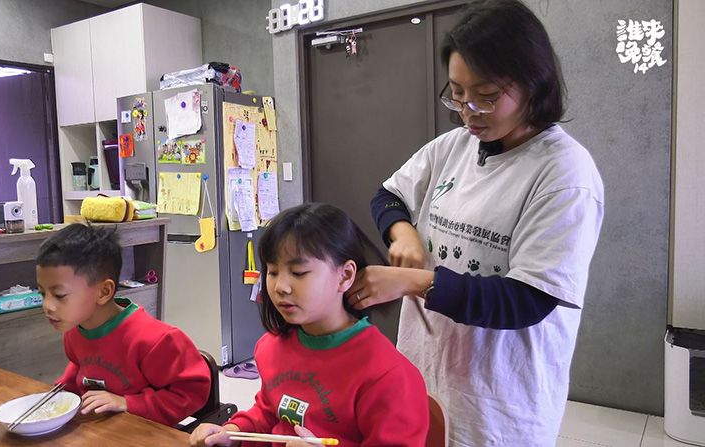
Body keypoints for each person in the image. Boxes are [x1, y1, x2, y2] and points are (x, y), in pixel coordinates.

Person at [351, 0, 605, 445]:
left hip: (499, 400)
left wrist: (414, 281)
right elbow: (388, 196)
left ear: (533, 82)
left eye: (485, 94)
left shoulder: (565, 175)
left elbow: (526, 300)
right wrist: (403, 232)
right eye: (456, 92)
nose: (467, 110)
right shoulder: (453, 146)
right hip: (425, 372)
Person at [190, 203, 429, 447]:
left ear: (345, 275)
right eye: (273, 271)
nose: (281, 287)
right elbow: (268, 413)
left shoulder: (388, 375)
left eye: (298, 273)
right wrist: (231, 433)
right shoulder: (271, 347)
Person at [36, 223, 211, 426]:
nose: (47, 306)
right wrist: (60, 393)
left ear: (103, 292)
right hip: (100, 426)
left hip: (142, 431)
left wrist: (128, 403)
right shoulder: (76, 328)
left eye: (59, 295)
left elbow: (192, 391)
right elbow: (81, 366)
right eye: (42, 293)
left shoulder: (156, 340)